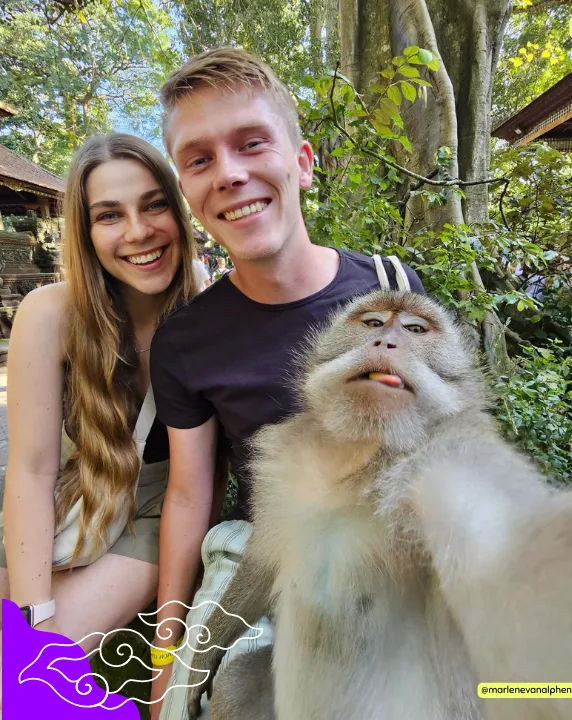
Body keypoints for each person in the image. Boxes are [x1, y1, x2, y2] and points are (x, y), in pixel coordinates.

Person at [145, 47, 428, 718]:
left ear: (301, 165)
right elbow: (188, 500)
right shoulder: (186, 340)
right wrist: (165, 665)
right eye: (200, 159)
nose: (230, 174)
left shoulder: (390, 289)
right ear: (187, 190)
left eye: (251, 144)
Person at [0, 135, 201, 661]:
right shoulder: (50, 315)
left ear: (179, 213)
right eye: (109, 215)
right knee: (19, 651)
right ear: (86, 234)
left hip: (156, 511)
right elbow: (31, 471)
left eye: (154, 204)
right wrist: (33, 613)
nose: (138, 231)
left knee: (34, 670)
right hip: (75, 499)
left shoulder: (207, 309)